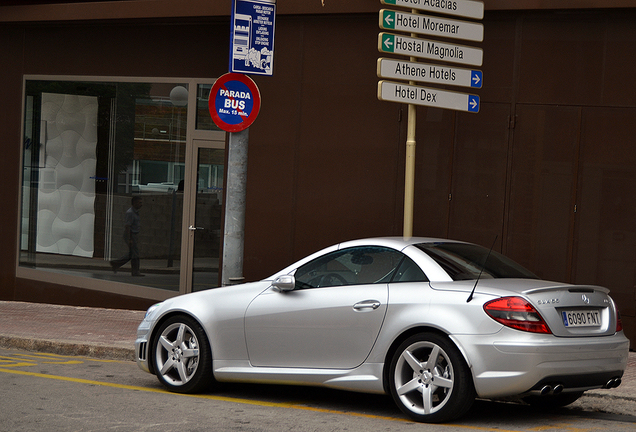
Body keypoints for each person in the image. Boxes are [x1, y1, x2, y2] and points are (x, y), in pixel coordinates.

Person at [111, 196, 144, 276]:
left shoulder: (135, 212)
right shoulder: (130, 213)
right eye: (139, 202)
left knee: (132, 253)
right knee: (135, 254)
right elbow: (127, 226)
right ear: (134, 203)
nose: (141, 204)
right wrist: (130, 239)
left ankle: (115, 263)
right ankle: (135, 271)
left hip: (134, 235)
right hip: (130, 234)